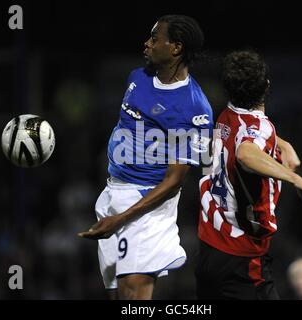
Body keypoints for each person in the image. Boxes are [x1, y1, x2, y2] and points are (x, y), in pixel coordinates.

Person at [78, 15, 213, 300]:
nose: (146, 44)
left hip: (146, 206)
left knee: (134, 297)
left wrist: (123, 218)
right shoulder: (137, 77)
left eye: (154, 39)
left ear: (175, 48)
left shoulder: (192, 108)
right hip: (113, 193)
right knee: (118, 297)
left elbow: (175, 182)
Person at [195, 50, 302, 300]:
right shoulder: (259, 128)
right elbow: (245, 153)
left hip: (210, 245)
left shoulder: (225, 115)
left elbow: (245, 135)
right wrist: (297, 179)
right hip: (243, 258)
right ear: (266, 86)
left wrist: (281, 144)